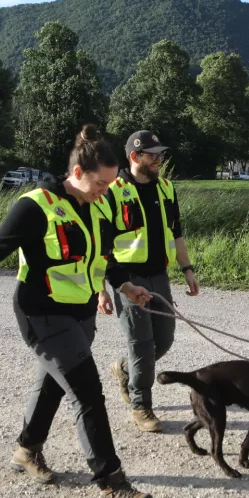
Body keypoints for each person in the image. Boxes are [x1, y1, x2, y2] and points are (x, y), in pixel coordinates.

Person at [0, 124, 154, 498]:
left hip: (80, 315)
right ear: (76, 172)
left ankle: (27, 449)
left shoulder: (96, 207)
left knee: (53, 386)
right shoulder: (35, 206)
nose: (106, 191)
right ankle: (114, 485)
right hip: (40, 314)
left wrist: (125, 286)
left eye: (111, 184)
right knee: (88, 394)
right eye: (100, 183)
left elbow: (102, 256)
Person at [101, 130, 199, 433]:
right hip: (126, 279)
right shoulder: (112, 191)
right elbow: (100, 246)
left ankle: (125, 369)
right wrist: (100, 290)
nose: (159, 160)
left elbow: (176, 232)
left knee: (164, 340)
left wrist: (187, 268)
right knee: (142, 345)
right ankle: (141, 405)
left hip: (159, 275)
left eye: (161, 154)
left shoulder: (166, 188)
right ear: (134, 156)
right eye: (153, 155)